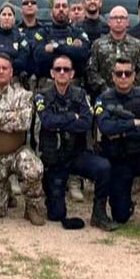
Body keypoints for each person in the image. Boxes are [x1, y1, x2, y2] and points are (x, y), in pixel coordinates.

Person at [35, 55, 115, 231]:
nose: (62, 72)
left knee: (103, 167)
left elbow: (86, 122)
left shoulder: (81, 95)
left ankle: (99, 213)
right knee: (56, 214)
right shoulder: (42, 96)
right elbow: (47, 121)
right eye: (58, 69)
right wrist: (72, 116)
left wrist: (60, 122)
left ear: (72, 74)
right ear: (52, 73)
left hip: (77, 154)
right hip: (54, 158)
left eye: (66, 69)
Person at [94, 58, 140, 236]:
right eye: (119, 73)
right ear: (113, 76)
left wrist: (122, 133)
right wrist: (133, 123)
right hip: (120, 158)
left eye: (127, 73)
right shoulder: (104, 98)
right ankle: (127, 206)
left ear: (134, 76)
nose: (123, 77)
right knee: (120, 216)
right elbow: (105, 128)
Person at [0, 54, 45, 225]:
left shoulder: (24, 95)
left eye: (4, 68)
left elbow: (24, 122)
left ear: (11, 72)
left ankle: (32, 207)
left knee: (34, 169)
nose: (1, 71)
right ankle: (6, 192)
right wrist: (11, 116)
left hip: (18, 153)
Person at [86, 6, 140, 96]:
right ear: (109, 22)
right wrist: (105, 89)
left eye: (122, 18)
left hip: (132, 96)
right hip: (104, 95)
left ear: (127, 22)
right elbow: (91, 71)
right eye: (115, 18)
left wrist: (130, 89)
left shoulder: (138, 45)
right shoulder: (98, 45)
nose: (118, 21)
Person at [31, 0, 90, 84]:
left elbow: (83, 54)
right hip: (47, 83)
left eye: (64, 6)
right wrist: (71, 50)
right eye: (57, 6)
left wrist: (56, 48)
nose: (61, 9)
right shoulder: (42, 33)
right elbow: (39, 57)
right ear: (51, 12)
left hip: (75, 83)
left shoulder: (78, 33)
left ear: (69, 11)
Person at [0, 3, 31, 81]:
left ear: (14, 19)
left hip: (15, 78)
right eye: (4, 15)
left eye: (10, 15)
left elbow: (23, 61)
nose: (7, 18)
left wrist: (2, 63)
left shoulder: (21, 38)